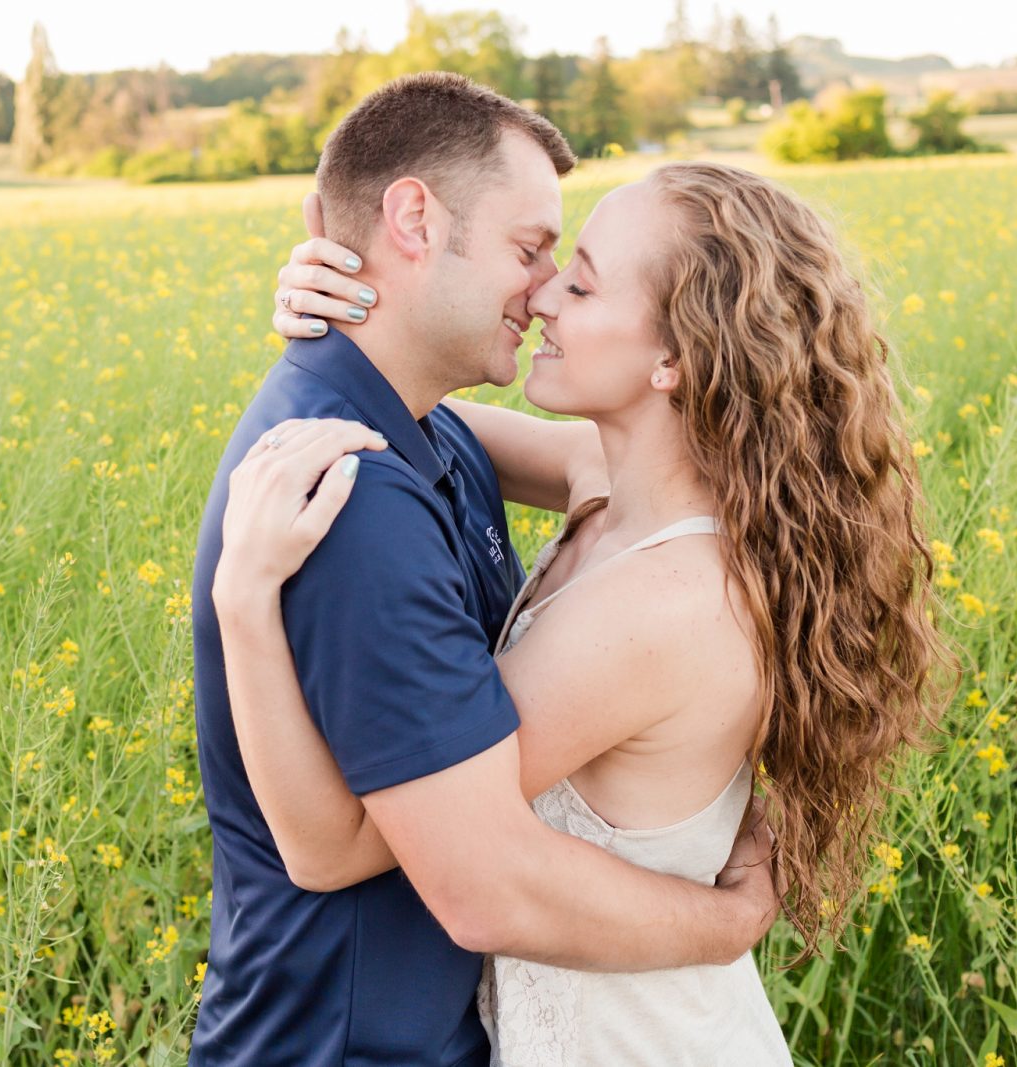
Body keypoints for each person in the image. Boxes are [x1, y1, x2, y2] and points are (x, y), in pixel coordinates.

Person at [215, 153, 956, 1061]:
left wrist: (243, 602)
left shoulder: (655, 608)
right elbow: (397, 411)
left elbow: (342, 847)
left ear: (673, 360)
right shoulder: (613, 482)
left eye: (584, 282)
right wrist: (353, 309)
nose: (542, 298)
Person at [190, 72, 782, 1067]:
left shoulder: (440, 438)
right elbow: (361, 856)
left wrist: (349, 324)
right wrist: (725, 924)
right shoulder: (347, 495)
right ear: (414, 219)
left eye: (574, 274)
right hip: (347, 1045)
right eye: (530, 251)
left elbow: (618, 471)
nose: (543, 290)